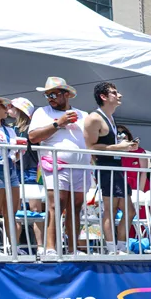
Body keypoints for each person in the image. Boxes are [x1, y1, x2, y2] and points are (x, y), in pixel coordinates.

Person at [28, 77, 93, 259]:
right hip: (55, 165)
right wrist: (58, 123)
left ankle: (73, 248)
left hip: (80, 167)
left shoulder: (83, 115)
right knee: (56, 204)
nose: (50, 98)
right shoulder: (42, 112)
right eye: (47, 95)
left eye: (54, 94)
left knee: (76, 207)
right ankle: (50, 248)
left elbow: (91, 139)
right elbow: (33, 137)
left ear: (67, 94)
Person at [83, 82, 138, 254]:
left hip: (116, 167)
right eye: (114, 93)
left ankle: (120, 247)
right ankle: (112, 248)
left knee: (129, 211)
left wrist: (126, 147)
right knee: (111, 209)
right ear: (103, 97)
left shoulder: (110, 117)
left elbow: (109, 146)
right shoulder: (94, 118)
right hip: (106, 168)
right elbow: (90, 147)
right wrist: (119, 147)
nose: (119, 95)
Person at [7, 98, 43, 251]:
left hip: (32, 169)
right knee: (15, 210)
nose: (8, 108)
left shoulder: (31, 128)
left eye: (11, 106)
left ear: (20, 109)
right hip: (15, 170)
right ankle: (15, 247)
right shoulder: (11, 129)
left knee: (35, 210)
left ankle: (41, 246)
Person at [0, 96, 21, 255]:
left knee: (11, 212)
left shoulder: (10, 130)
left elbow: (15, 153)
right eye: (2, 105)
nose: (7, 108)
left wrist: (18, 153)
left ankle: (14, 248)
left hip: (11, 169)